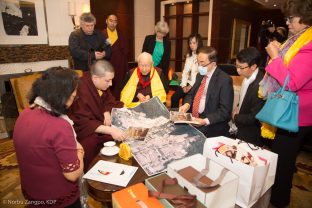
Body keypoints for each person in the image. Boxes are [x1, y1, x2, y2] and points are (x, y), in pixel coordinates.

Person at [264, 0, 312, 207]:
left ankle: (279, 201)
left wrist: (275, 58)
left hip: (297, 113)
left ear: (305, 17)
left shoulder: (309, 44)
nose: (287, 23)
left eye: (291, 18)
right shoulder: (298, 40)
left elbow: (291, 82)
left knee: (282, 161)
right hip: (293, 109)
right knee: (282, 158)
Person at [13, 67, 83, 207]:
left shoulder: (25, 114)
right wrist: (79, 151)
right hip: (57, 197)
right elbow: (73, 174)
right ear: (62, 95)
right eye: (73, 91)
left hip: (33, 192)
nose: (75, 94)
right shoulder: (59, 126)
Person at [68, 60, 125, 171]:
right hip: (83, 128)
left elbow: (108, 99)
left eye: (112, 80)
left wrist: (106, 110)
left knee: (121, 110)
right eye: (107, 81)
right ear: (95, 78)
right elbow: (83, 122)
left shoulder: (99, 84)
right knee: (91, 142)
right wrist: (110, 131)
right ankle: (93, 170)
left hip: (99, 118)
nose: (111, 84)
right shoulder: (81, 89)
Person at [179, 46, 234, 138]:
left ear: (213, 64)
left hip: (211, 124)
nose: (199, 67)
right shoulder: (200, 75)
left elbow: (225, 112)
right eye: (198, 62)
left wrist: (205, 121)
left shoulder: (224, 80)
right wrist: (187, 104)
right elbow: (191, 94)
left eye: (202, 64)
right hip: (194, 118)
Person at [231, 47, 265, 147]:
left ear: (253, 66)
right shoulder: (249, 77)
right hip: (243, 124)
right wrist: (238, 107)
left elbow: (255, 117)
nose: (238, 70)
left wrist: (235, 117)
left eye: (241, 67)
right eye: (236, 66)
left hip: (251, 132)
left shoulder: (260, 85)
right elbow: (243, 98)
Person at [170, 33, 203, 108]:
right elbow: (185, 72)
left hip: (196, 84)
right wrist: (184, 85)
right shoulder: (189, 55)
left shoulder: (202, 56)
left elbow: (199, 74)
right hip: (187, 83)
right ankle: (174, 116)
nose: (191, 45)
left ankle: (183, 116)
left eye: (194, 43)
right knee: (174, 98)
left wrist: (190, 86)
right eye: (190, 43)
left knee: (185, 103)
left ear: (199, 43)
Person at [102, 14, 129, 99]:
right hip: (107, 65)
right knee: (107, 86)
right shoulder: (101, 34)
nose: (113, 23)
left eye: (115, 21)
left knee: (119, 87)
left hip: (120, 66)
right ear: (106, 21)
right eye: (111, 20)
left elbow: (125, 51)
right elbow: (100, 49)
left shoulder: (121, 34)